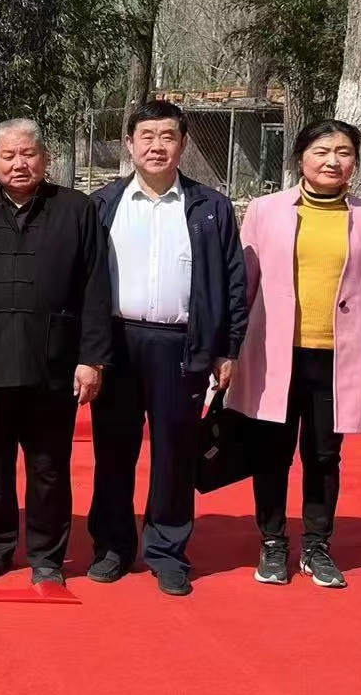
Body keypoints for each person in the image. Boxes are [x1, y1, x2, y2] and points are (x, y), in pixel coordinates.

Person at [0, 119, 112, 586]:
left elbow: (96, 287)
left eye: (28, 153)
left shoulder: (76, 209)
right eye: (8, 155)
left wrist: (92, 358)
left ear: (45, 158)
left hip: (54, 361)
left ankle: (47, 556)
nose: (19, 164)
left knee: (49, 464)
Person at [85, 101, 248, 596]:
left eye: (168, 136)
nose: (157, 146)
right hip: (116, 344)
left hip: (182, 345)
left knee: (175, 453)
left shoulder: (210, 208)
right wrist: (87, 351)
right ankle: (112, 546)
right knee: (114, 451)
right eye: (147, 136)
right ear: (129, 143)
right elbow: (83, 282)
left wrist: (227, 348)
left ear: (183, 143)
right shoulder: (102, 204)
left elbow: (233, 282)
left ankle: (168, 551)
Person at [229, 119, 361, 589]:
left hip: (337, 359)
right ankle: (273, 542)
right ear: (301, 157)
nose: (332, 161)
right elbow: (243, 287)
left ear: (354, 162)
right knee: (271, 453)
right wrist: (228, 351)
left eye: (343, 152)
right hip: (274, 356)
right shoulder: (265, 210)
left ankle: (317, 545)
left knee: (324, 456)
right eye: (322, 151)